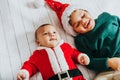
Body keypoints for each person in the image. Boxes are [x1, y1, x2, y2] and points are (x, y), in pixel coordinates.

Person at [45, 0, 120, 80]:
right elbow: (90, 62)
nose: (83, 21)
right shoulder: (81, 40)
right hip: (111, 65)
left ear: (87, 11)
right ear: (74, 31)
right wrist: (109, 62)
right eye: (77, 24)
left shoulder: (105, 17)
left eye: (83, 15)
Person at [17, 24, 90, 80]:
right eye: (45, 34)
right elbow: (31, 65)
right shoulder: (38, 54)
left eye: (54, 32)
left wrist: (81, 57)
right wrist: (24, 73)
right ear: (38, 42)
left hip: (75, 77)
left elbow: (74, 53)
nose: (52, 34)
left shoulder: (65, 46)